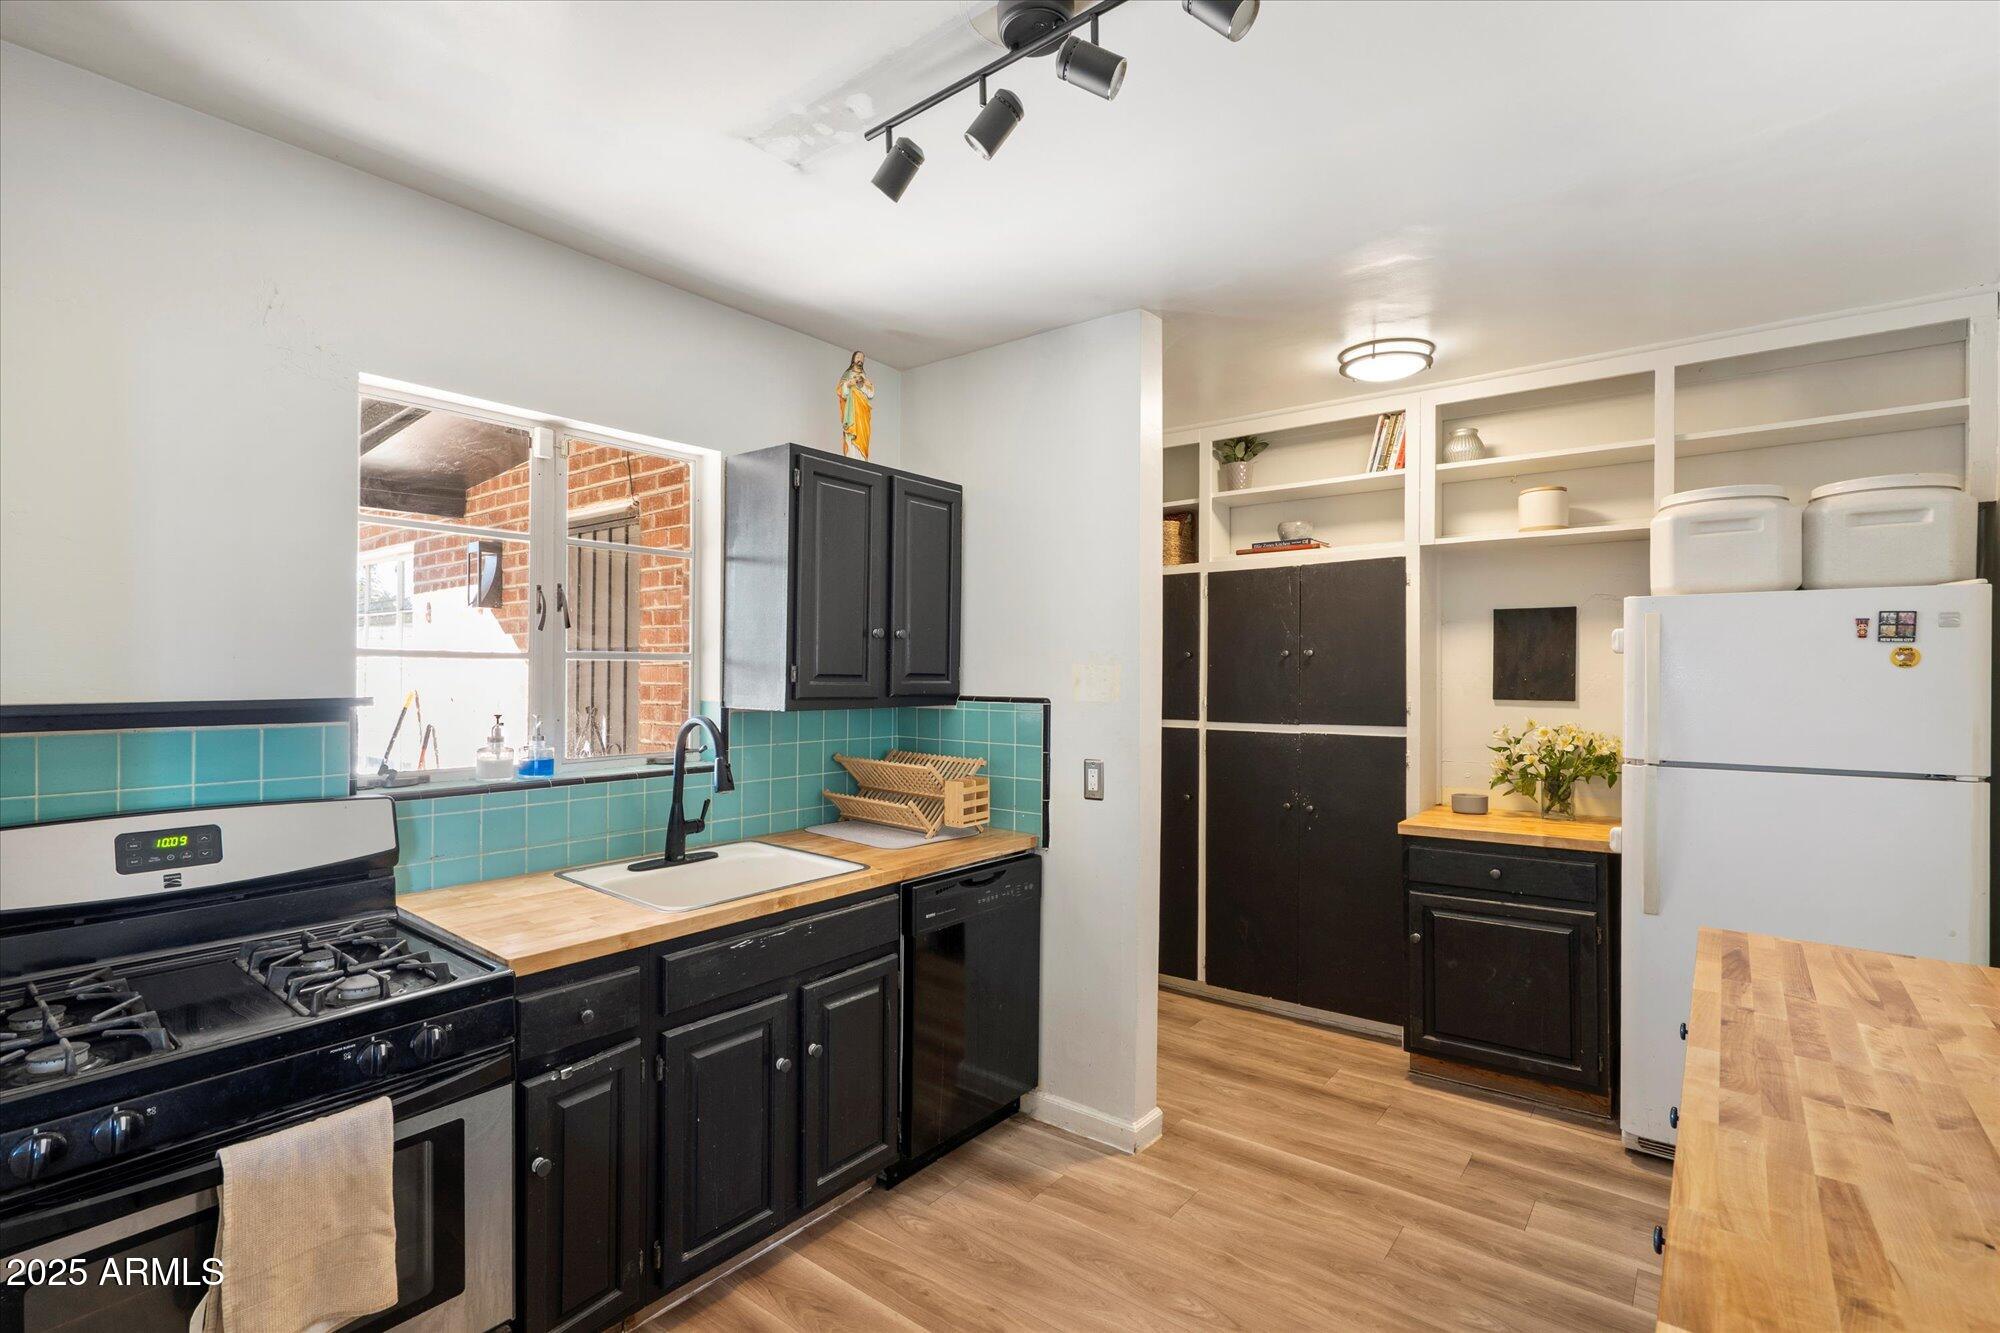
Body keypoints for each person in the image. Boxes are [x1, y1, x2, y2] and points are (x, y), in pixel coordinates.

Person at [837, 350, 874, 459]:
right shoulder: (847, 374)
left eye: (862, 358)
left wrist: (862, 384)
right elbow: (840, 391)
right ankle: (852, 456)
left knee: (864, 433)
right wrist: (848, 384)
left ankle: (862, 457)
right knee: (852, 434)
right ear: (853, 359)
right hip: (852, 410)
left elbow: (871, 393)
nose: (860, 360)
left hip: (863, 411)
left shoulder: (864, 376)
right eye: (858, 357)